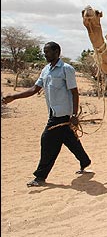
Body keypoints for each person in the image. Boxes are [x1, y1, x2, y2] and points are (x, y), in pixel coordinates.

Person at [2, 41, 91, 187]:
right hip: (53, 113)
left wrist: (74, 115)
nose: (45, 54)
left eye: (47, 51)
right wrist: (14, 97)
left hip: (62, 115)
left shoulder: (66, 69)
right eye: (44, 51)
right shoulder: (46, 70)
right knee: (68, 139)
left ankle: (40, 176)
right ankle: (85, 161)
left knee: (47, 142)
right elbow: (34, 89)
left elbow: (74, 92)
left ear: (56, 52)